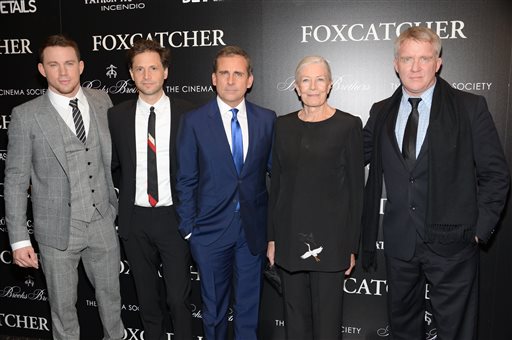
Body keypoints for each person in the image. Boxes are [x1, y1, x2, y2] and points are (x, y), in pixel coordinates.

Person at [362, 26, 510, 340]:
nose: (415, 67)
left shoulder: (470, 108)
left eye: (424, 58)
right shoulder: (381, 111)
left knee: (455, 331)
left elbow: (495, 174)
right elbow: (349, 157)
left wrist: (478, 232)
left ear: (438, 63)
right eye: (407, 58)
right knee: (402, 329)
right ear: (396, 64)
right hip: (400, 243)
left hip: (454, 242)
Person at [4, 34, 123, 340]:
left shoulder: (101, 101)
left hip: (101, 222)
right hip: (57, 231)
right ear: (42, 69)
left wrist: (112, 211)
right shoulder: (25, 115)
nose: (63, 72)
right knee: (63, 311)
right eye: (54, 65)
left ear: (81, 65)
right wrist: (19, 240)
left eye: (69, 63)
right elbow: (16, 180)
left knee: (113, 305)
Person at [175, 45, 276, 340]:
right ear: (214, 79)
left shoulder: (267, 119)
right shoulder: (193, 121)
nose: (231, 80)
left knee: (248, 311)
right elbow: (185, 179)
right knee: (214, 312)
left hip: (252, 233)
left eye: (238, 73)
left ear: (249, 80)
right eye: (224, 73)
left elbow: (278, 175)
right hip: (207, 233)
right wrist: (189, 230)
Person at [266, 56, 364, 340]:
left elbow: (357, 191)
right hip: (289, 235)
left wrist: (351, 245)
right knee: (294, 321)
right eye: (306, 80)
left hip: (332, 241)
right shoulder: (282, 126)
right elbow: (277, 185)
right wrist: (272, 237)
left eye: (319, 79)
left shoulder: (348, 125)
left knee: (327, 325)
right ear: (296, 87)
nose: (312, 86)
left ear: (330, 85)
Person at [108, 39, 193, 340]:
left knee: (177, 300)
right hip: (135, 219)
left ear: (165, 72)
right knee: (147, 300)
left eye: (153, 68)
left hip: (174, 219)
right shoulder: (116, 116)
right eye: (139, 69)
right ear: (131, 74)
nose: (147, 75)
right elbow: (112, 164)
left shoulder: (189, 114)